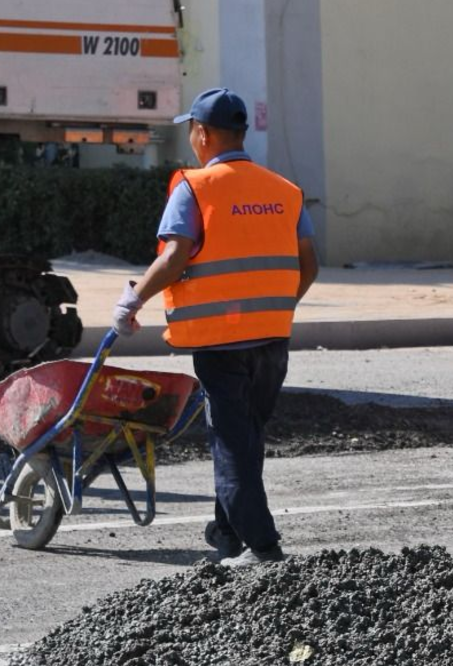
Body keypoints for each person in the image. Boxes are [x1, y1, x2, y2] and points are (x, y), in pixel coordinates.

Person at [111, 87, 317, 569]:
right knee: (246, 438)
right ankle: (228, 533)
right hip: (272, 339)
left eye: (192, 131)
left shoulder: (195, 187)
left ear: (201, 133)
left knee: (232, 445)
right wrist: (279, 306)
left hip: (220, 343)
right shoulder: (284, 191)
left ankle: (263, 548)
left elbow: (175, 256)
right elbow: (310, 264)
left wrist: (132, 299)